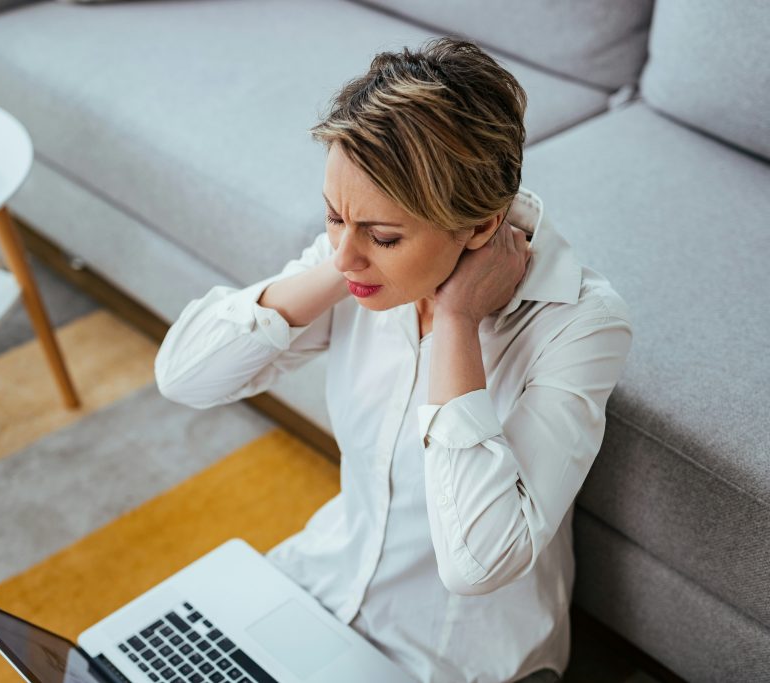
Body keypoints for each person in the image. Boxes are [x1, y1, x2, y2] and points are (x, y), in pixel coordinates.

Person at [154, 36, 632, 683]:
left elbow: (475, 563)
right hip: (318, 583)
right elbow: (183, 375)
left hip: (455, 658)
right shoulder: (358, 267)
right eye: (332, 218)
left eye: (382, 236)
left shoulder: (577, 322)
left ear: (483, 225)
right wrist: (336, 265)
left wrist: (456, 323)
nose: (346, 255)